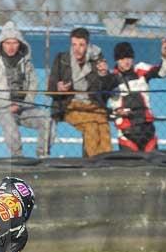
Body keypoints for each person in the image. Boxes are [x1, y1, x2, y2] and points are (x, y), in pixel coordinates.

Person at [0, 21, 51, 158]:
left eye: (15, 43)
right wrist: (7, 105)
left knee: (47, 120)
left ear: (20, 44)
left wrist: (25, 103)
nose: (11, 47)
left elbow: (33, 84)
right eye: (7, 43)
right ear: (1, 43)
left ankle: (43, 156)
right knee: (10, 124)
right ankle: (17, 157)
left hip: (23, 107)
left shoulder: (26, 61)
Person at [47, 27, 115, 157]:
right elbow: (51, 87)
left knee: (104, 127)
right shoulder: (62, 59)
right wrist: (59, 88)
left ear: (88, 45)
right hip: (69, 105)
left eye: (81, 45)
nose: (77, 49)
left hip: (92, 105)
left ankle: (107, 164)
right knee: (91, 127)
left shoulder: (97, 61)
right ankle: (93, 164)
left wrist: (104, 74)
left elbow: (106, 90)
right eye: (74, 44)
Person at [108, 39, 166, 152]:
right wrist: (114, 112)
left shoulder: (141, 69)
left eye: (129, 57)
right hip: (127, 133)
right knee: (132, 168)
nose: (126, 61)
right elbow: (98, 100)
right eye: (122, 58)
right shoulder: (110, 79)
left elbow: (163, 72)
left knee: (154, 167)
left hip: (148, 130)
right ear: (117, 60)